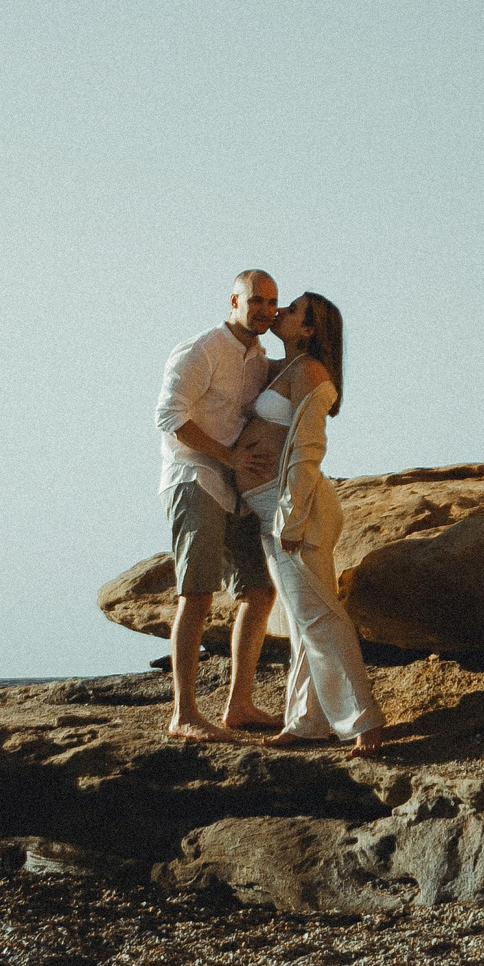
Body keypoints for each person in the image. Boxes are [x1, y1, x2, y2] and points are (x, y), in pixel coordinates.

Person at [241, 292, 385, 757]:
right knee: (304, 620)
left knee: (320, 616)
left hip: (295, 509)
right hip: (272, 506)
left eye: (293, 309)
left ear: (308, 331)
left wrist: (291, 514)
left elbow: (307, 447)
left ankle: (364, 721)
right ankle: (306, 722)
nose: (279, 311)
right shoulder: (285, 367)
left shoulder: (310, 372)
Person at [154, 270, 284, 741]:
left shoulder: (259, 358)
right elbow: (169, 417)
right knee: (197, 595)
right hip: (194, 480)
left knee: (259, 592)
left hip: (235, 490)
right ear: (234, 300)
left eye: (272, 302)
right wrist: (229, 456)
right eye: (256, 300)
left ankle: (239, 705)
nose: (265, 310)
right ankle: (184, 714)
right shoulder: (202, 348)